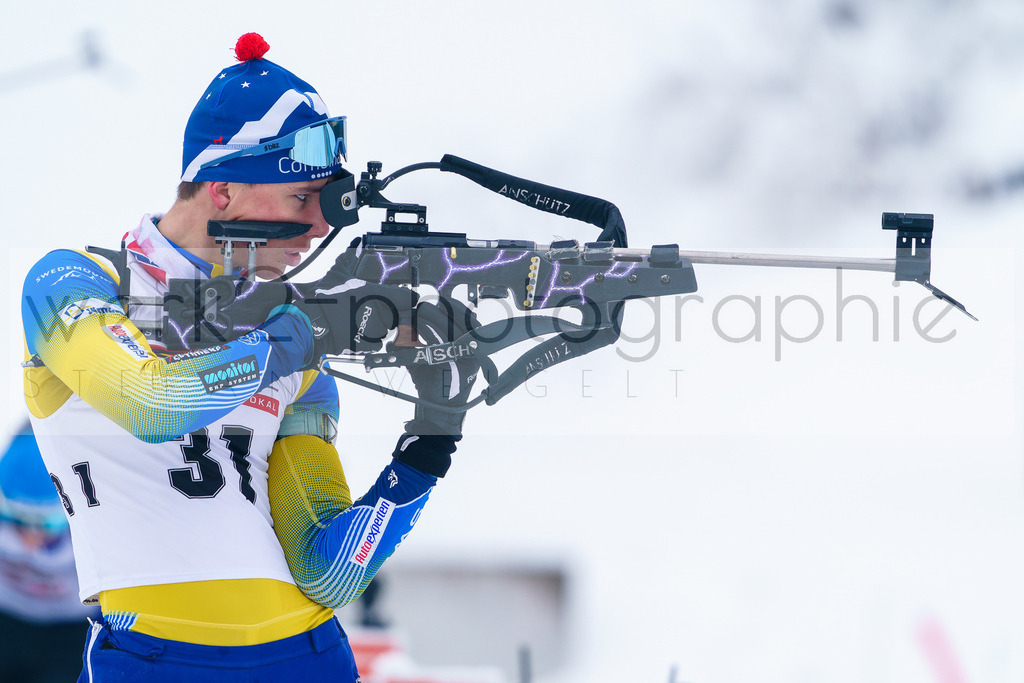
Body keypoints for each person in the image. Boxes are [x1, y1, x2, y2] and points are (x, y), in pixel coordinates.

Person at [21, 32, 477, 682]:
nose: (320, 227)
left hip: (309, 656)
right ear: (223, 190)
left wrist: (432, 437)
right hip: (153, 661)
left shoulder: (288, 330)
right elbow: (150, 400)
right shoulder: (79, 280)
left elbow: (329, 570)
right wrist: (301, 334)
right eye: (302, 200)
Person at [0, 420, 100, 683]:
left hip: (71, 634)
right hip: (7, 621)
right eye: (19, 519)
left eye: (47, 523)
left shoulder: (94, 526)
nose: (32, 538)